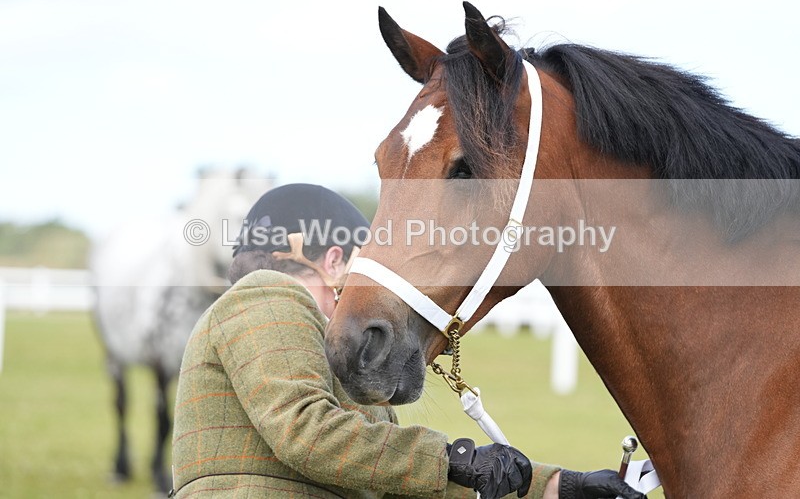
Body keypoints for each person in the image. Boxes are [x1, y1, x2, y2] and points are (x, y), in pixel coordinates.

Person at [171, 183, 644, 499]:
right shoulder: (267, 292)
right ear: (334, 261)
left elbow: (393, 465)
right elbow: (304, 429)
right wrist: (456, 460)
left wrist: (557, 486)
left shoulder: (314, 343)